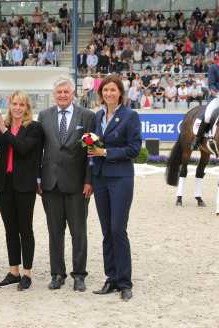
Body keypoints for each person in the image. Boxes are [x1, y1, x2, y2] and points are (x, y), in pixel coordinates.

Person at [0, 91, 43, 291]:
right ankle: (14, 271)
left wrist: (5, 132)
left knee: (26, 229)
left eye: (21, 105)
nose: (17, 108)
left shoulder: (34, 128)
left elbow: (23, 149)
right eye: (14, 104)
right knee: (10, 229)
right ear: (9, 105)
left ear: (27, 108)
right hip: (4, 184)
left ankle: (27, 273)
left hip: (25, 185)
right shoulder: (1, 126)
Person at [37, 78, 95, 292]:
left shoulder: (87, 117)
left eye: (66, 92)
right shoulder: (44, 116)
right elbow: (39, 150)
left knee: (78, 233)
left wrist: (90, 180)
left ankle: (79, 275)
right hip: (50, 184)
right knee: (55, 232)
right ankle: (57, 274)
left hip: (78, 185)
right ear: (54, 95)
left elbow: (92, 151)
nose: (62, 95)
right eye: (59, 92)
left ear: (73, 94)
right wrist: (38, 178)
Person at [88, 75, 142, 301]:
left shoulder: (130, 116)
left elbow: (134, 149)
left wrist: (107, 153)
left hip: (120, 177)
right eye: (105, 90)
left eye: (113, 90)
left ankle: (125, 281)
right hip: (100, 178)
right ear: (101, 94)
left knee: (118, 229)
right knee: (106, 231)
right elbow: (93, 144)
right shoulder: (98, 116)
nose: (109, 93)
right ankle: (111, 277)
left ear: (120, 92)